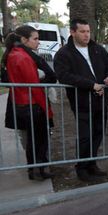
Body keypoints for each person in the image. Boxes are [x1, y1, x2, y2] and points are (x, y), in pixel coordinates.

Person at [54, 19, 108, 182]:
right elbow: (64, 76)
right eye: (82, 31)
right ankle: (81, 168)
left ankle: (91, 164)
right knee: (85, 136)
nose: (86, 35)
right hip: (82, 102)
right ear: (73, 32)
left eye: (88, 31)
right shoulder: (64, 53)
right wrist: (91, 85)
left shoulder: (98, 49)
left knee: (98, 133)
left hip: (101, 101)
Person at [1, 25, 56, 180]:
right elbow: (34, 86)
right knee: (38, 140)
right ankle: (37, 170)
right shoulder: (23, 57)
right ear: (24, 39)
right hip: (32, 105)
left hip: (23, 104)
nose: (38, 42)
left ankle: (36, 170)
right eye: (36, 39)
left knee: (33, 140)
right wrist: (46, 109)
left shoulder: (14, 54)